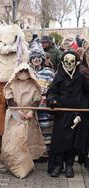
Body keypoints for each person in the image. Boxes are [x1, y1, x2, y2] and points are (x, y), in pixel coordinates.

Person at [47, 50, 89, 178]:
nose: (69, 64)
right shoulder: (58, 76)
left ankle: (69, 166)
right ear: (62, 62)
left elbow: (87, 93)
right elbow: (52, 91)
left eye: (72, 62)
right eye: (66, 62)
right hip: (62, 114)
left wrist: (84, 105)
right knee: (60, 140)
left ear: (76, 62)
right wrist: (52, 101)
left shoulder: (81, 77)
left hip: (77, 115)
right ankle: (58, 165)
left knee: (72, 142)